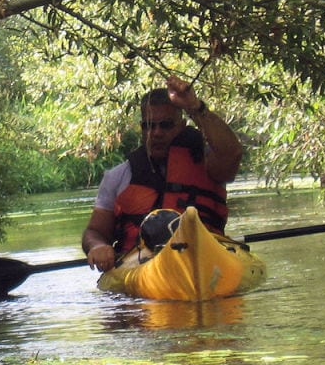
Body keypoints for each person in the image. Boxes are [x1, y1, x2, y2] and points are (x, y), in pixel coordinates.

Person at [82, 75, 242, 272]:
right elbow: (94, 231)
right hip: (140, 266)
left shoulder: (209, 163)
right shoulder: (118, 176)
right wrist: (97, 246)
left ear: (182, 126)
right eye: (149, 125)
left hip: (204, 259)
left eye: (165, 125)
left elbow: (232, 152)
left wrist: (195, 107)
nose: (156, 133)